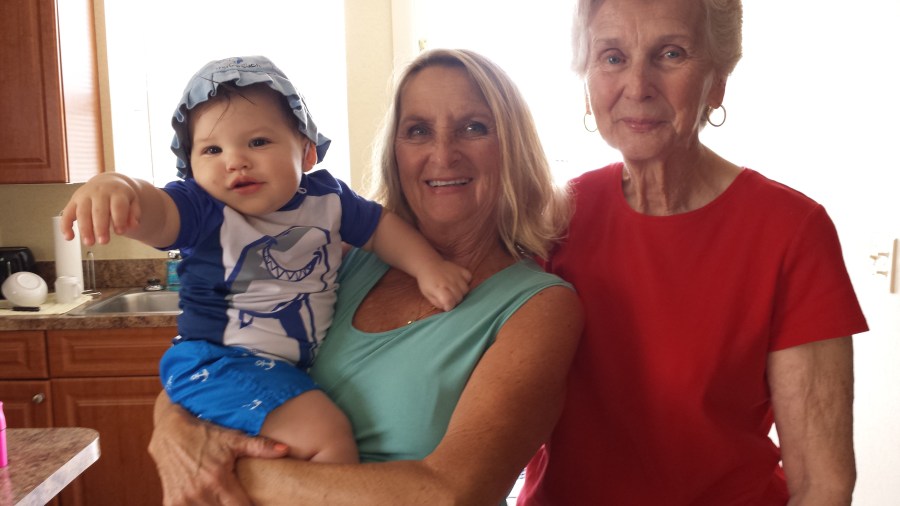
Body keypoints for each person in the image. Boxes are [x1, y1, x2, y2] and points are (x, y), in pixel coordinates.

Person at [145, 48, 583, 505]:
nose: (442, 154)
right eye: (418, 131)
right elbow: (220, 360)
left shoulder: (539, 308)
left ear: (513, 146)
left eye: (474, 127)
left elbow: (453, 495)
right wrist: (172, 426)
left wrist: (230, 470)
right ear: (395, 151)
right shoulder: (337, 256)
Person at [518, 0, 869, 505]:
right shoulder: (552, 220)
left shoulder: (791, 231)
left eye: (671, 53)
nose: (637, 86)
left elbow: (822, 484)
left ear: (718, 81)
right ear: (587, 81)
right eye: (612, 57)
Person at [59, 55, 474, 464]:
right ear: (191, 168)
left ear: (306, 153)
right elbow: (157, 213)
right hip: (218, 361)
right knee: (326, 436)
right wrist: (116, 185)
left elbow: (381, 228)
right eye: (212, 149)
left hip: (280, 368)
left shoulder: (328, 199)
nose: (234, 160)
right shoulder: (203, 208)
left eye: (258, 142)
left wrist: (428, 267)